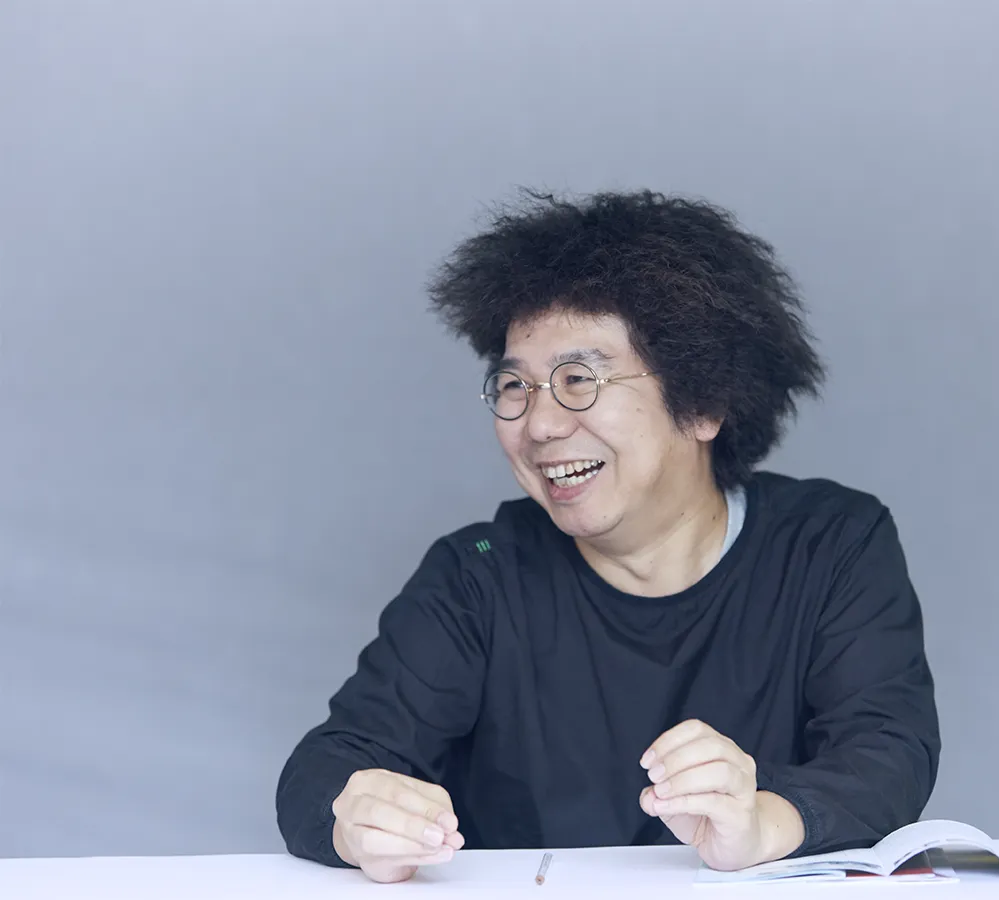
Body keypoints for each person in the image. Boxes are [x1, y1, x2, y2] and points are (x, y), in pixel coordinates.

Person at [275, 189, 940, 883]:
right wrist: (357, 819)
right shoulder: (477, 576)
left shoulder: (830, 544)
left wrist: (764, 822)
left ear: (703, 401)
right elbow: (327, 767)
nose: (539, 425)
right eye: (515, 386)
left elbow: (888, 753)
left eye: (578, 380)